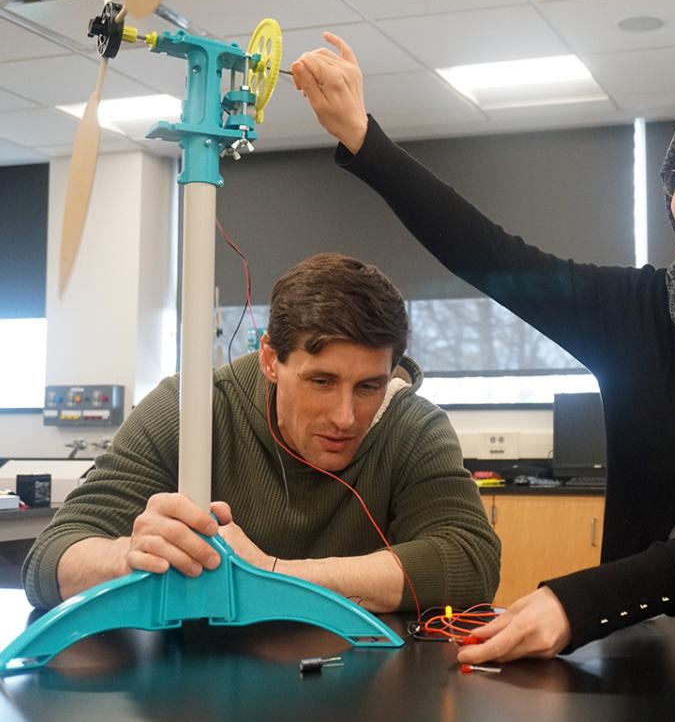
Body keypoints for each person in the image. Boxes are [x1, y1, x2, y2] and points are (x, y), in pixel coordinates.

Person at [291, 35, 675, 664]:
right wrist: (365, 139)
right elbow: (494, 257)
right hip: (644, 651)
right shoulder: (645, 310)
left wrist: (577, 603)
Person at [23, 253, 501, 613]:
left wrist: (269, 575)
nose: (346, 417)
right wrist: (131, 557)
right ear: (272, 359)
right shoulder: (187, 409)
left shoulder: (413, 427)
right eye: (321, 381)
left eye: (369, 386)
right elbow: (49, 561)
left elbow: (470, 562)